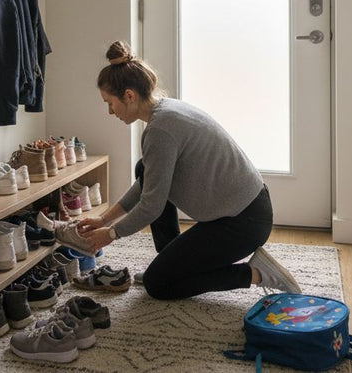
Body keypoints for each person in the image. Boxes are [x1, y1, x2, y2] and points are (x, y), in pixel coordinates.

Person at [73, 41, 302, 300]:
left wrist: (111, 234)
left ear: (129, 95)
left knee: (158, 284)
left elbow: (152, 206)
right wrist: (104, 219)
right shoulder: (166, 109)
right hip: (249, 210)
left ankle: (256, 273)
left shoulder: (160, 131)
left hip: (242, 224)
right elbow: (149, 179)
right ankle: (174, 263)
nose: (109, 111)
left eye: (110, 103)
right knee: (144, 167)